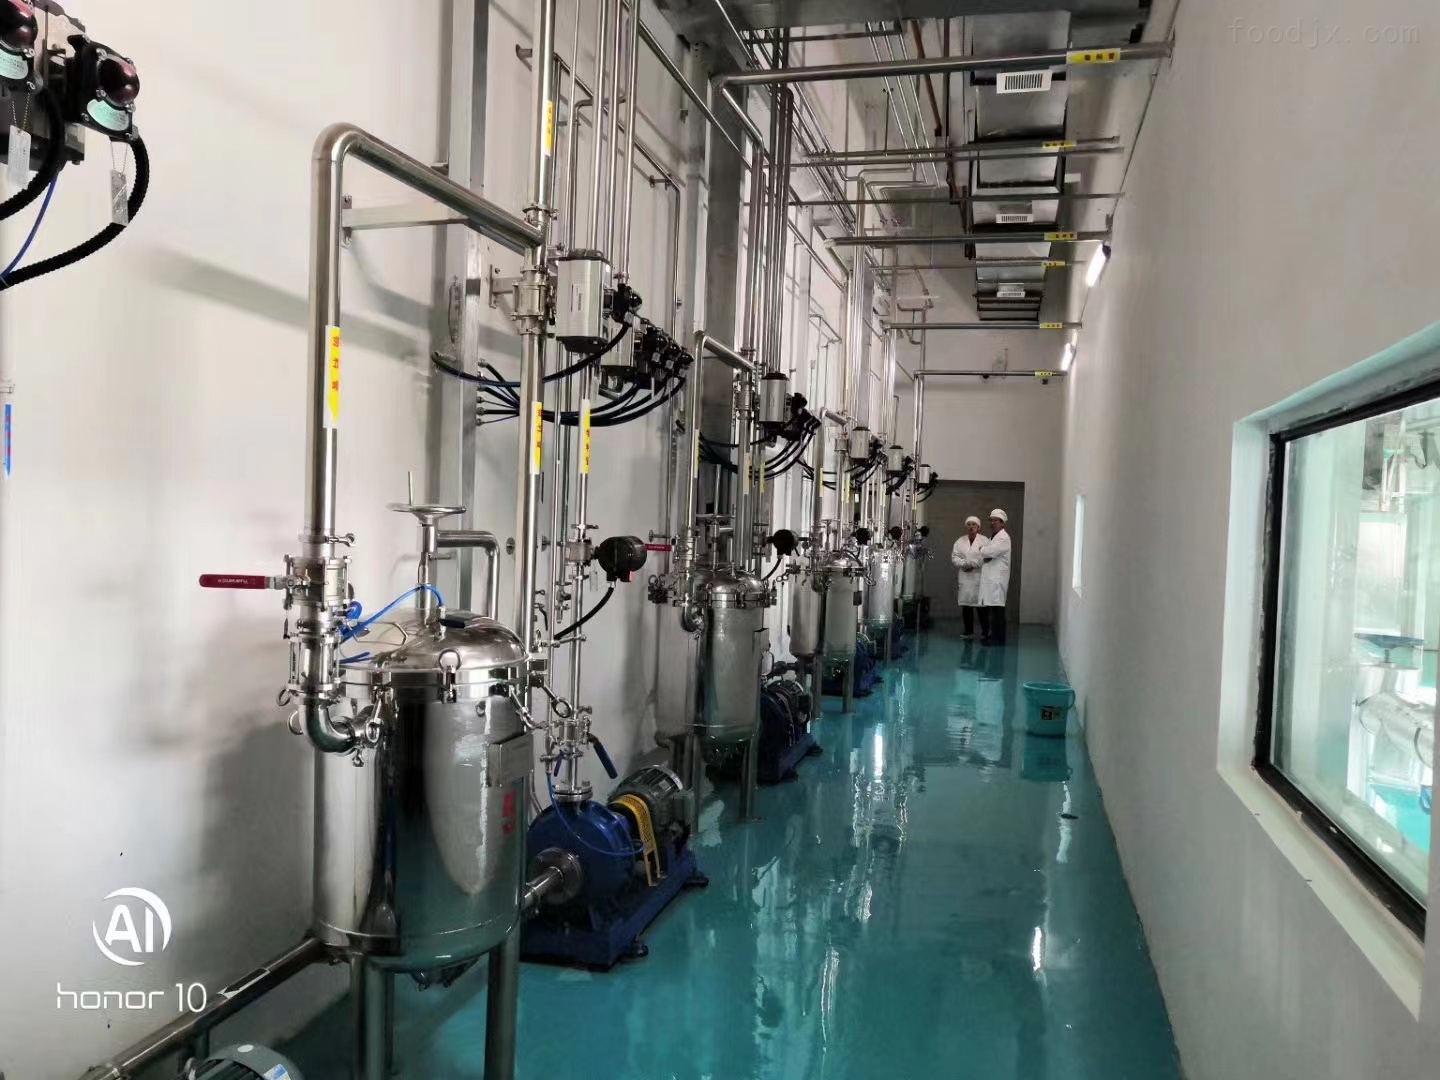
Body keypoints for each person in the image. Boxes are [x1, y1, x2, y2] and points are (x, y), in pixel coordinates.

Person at [979, 509, 1012, 646]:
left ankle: (998, 639)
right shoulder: (993, 537)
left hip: (997, 580)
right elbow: (987, 553)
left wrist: (982, 550)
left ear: (1002, 523)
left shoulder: (1003, 538)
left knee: (998, 609)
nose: (992, 523)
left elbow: (990, 552)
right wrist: (985, 552)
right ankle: (994, 636)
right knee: (993, 609)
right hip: (991, 579)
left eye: (996, 521)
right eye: (991, 520)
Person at [950, 516, 986, 639]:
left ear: (978, 527)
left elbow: (986, 556)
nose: (971, 527)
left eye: (974, 524)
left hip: (979, 576)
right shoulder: (960, 541)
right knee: (966, 606)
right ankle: (968, 631)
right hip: (965, 577)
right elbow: (955, 557)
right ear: (966, 527)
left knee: (981, 606)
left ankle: (985, 632)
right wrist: (965, 564)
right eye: (969, 524)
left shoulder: (984, 540)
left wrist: (973, 565)